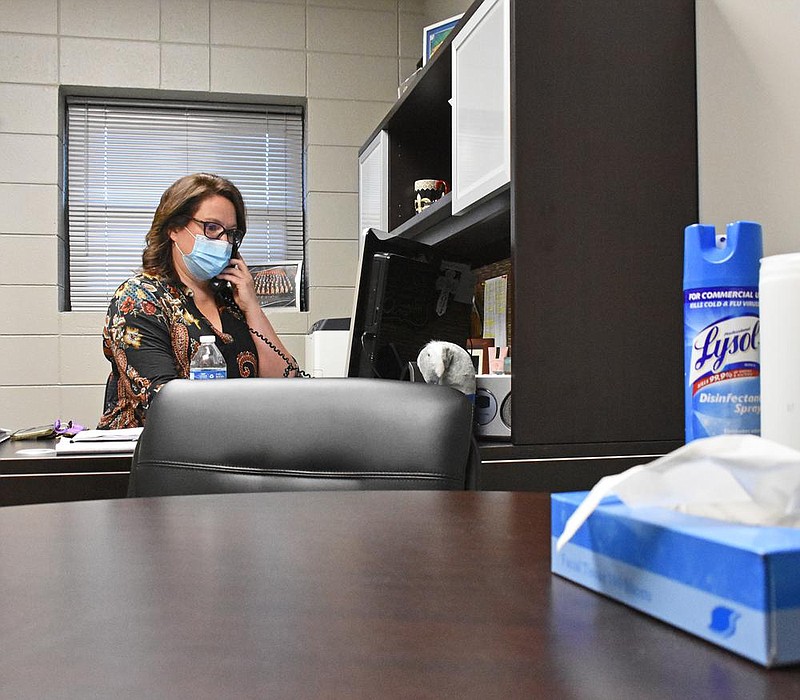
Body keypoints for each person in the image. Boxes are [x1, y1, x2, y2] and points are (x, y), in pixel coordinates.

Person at [98, 173, 298, 429]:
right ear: (174, 228)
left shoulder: (231, 301)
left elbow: (285, 380)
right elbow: (163, 401)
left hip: (232, 447)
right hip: (161, 454)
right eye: (212, 228)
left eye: (231, 233)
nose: (224, 242)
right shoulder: (140, 298)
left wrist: (252, 307)